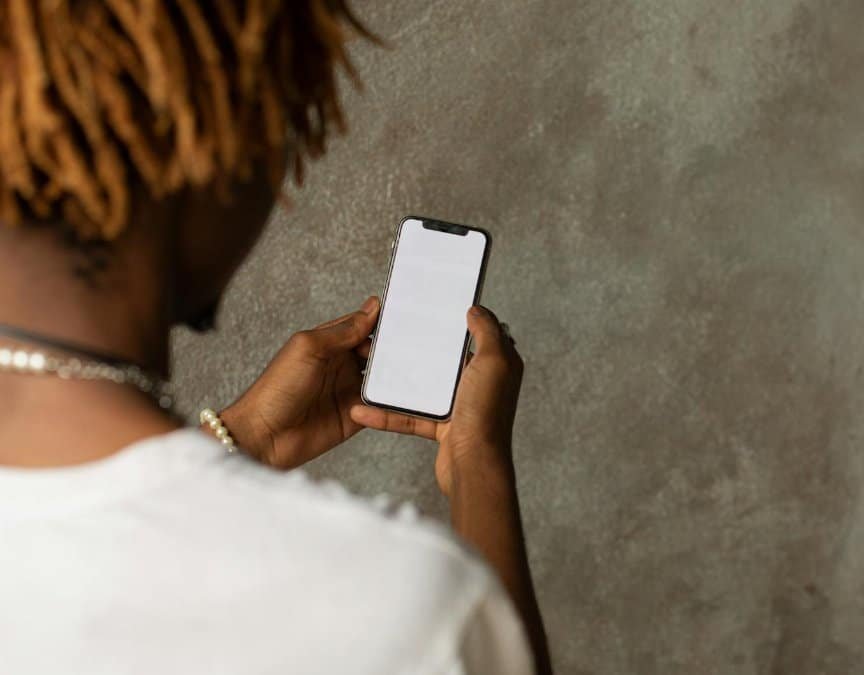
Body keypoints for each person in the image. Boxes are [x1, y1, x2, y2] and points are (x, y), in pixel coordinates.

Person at [0, 3, 551, 674]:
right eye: (282, 128)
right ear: (213, 145)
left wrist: (245, 439)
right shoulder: (400, 600)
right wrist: (476, 461)